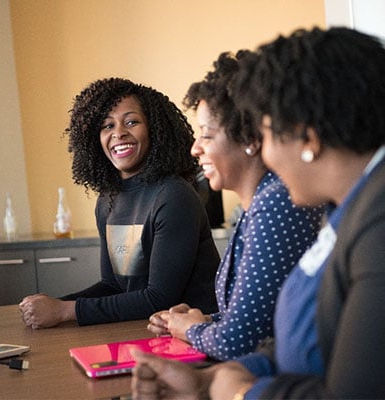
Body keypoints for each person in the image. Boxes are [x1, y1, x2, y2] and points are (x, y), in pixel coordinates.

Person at [131, 26, 385, 399]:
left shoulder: (377, 222)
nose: (265, 155)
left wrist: (243, 393)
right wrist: (213, 379)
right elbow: (309, 335)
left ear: (308, 138)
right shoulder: (348, 209)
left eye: (265, 134)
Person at [146, 51, 323, 361]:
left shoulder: (275, 204)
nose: (195, 148)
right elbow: (259, 319)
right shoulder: (258, 204)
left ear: (250, 139)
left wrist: (191, 331)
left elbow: (238, 343)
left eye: (206, 135)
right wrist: (197, 322)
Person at [19, 77, 220, 329]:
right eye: (107, 126)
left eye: (132, 122)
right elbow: (113, 286)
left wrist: (64, 311)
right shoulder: (108, 199)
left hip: (194, 338)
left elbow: (158, 298)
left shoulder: (173, 195)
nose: (118, 133)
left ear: (154, 129)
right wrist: (55, 305)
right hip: (139, 329)